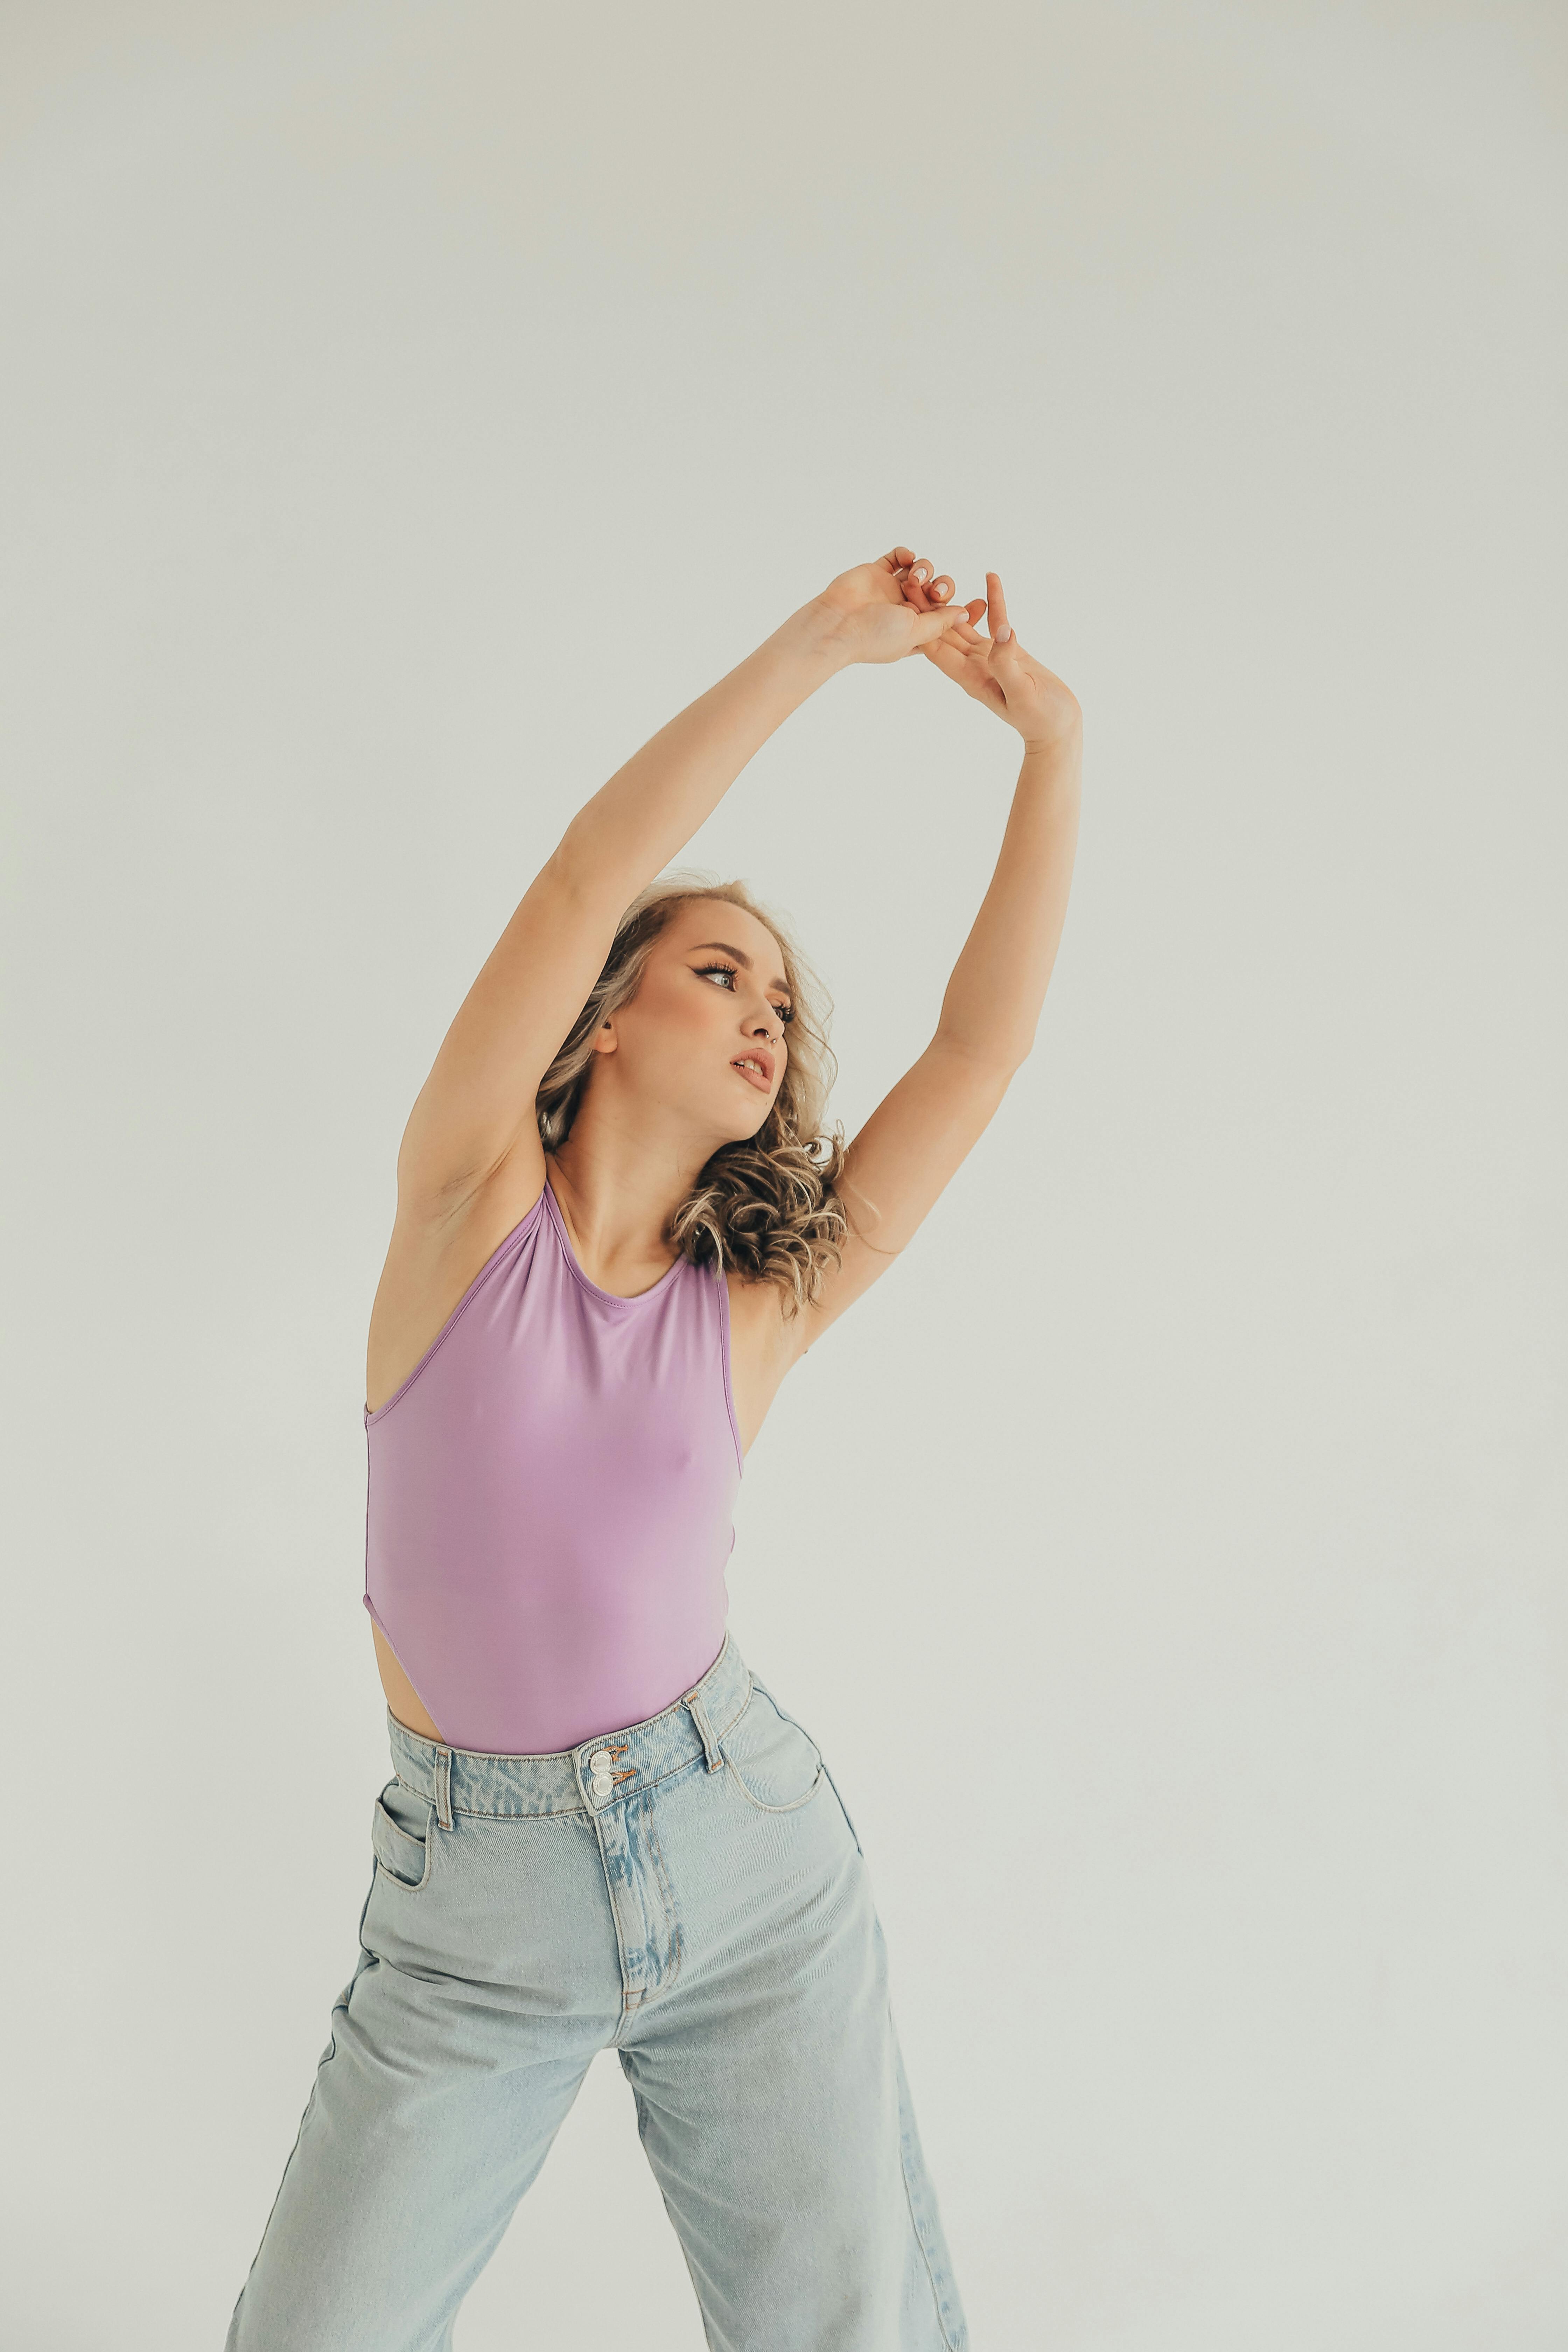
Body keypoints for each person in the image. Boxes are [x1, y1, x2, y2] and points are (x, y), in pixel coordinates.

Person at [225, 545, 1082, 2350]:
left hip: (747, 1857)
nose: (770, 1015)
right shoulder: (467, 1206)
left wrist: (1051, 752)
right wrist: (826, 647)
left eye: (784, 1003)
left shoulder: (759, 1307)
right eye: (720, 973)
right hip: (470, 1917)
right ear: (608, 1013)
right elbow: (581, 874)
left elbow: (978, 1053)